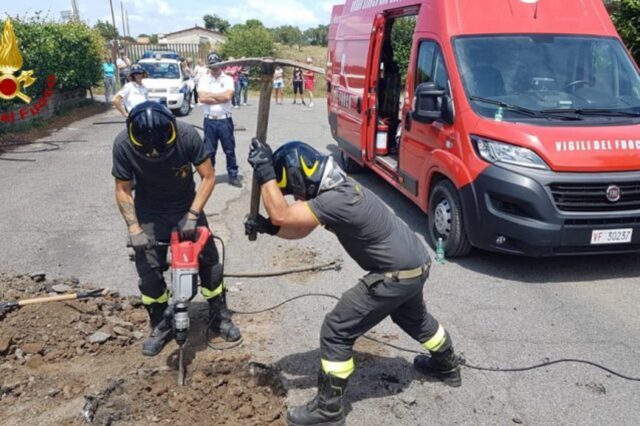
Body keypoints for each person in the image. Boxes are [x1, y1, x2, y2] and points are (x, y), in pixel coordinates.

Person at [245, 140, 462, 426]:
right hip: (416, 266)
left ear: (300, 176)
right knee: (415, 319)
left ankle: (329, 409)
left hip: (393, 274)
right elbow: (297, 226)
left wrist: (264, 172)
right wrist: (270, 228)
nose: (296, 196)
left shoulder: (335, 198)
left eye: (293, 189)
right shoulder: (339, 188)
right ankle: (447, 366)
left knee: (336, 329)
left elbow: (282, 214)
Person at [112, 101, 241, 357]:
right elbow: (123, 190)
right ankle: (161, 322)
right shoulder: (123, 145)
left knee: (210, 263)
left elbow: (208, 175)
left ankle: (218, 315)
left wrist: (193, 215)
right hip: (149, 212)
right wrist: (135, 228)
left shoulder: (187, 136)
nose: (155, 155)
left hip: (185, 208)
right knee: (148, 271)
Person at [197, 53, 242, 188]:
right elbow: (202, 98)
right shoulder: (204, 79)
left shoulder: (227, 79)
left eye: (217, 65)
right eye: (212, 66)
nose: (215, 69)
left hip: (224, 120)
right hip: (209, 120)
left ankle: (233, 175)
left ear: (221, 65)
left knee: (229, 149)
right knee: (209, 151)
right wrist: (218, 96)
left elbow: (228, 96)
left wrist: (210, 95)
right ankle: (209, 176)